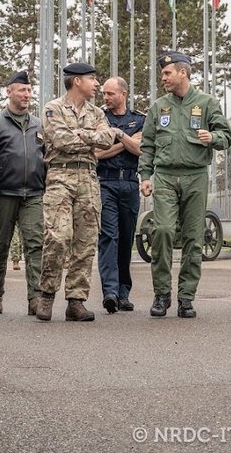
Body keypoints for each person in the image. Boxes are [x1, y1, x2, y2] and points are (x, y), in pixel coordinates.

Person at [139, 51, 231, 319]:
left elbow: (227, 136)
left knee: (194, 237)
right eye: (163, 74)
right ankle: (161, 294)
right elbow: (147, 144)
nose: (164, 79)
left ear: (183, 72)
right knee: (163, 231)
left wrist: (212, 137)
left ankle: (186, 297)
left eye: (167, 73)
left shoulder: (206, 103)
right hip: (166, 176)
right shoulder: (159, 107)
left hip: (195, 176)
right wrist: (145, 176)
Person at [36, 62, 121, 322]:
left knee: (85, 242)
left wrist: (80, 133)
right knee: (58, 237)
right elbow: (60, 140)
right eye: (92, 79)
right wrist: (90, 136)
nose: (97, 84)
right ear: (77, 81)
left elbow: (109, 138)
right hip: (60, 176)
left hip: (88, 177)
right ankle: (47, 294)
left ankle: (76, 301)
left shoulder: (97, 112)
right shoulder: (53, 109)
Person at [0, 70, 47, 317]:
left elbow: (47, 159)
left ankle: (35, 298)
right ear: (9, 92)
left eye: (29, 91)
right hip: (4, 194)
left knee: (36, 245)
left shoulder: (39, 124)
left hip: (34, 194)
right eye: (22, 90)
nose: (27, 95)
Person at [96, 76, 145, 314]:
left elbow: (142, 150)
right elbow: (97, 154)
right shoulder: (98, 118)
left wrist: (118, 138)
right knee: (108, 237)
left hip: (130, 184)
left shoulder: (140, 119)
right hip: (105, 182)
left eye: (110, 94)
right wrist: (127, 141)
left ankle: (124, 292)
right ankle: (110, 293)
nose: (105, 98)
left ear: (123, 94)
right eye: (104, 93)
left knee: (126, 239)